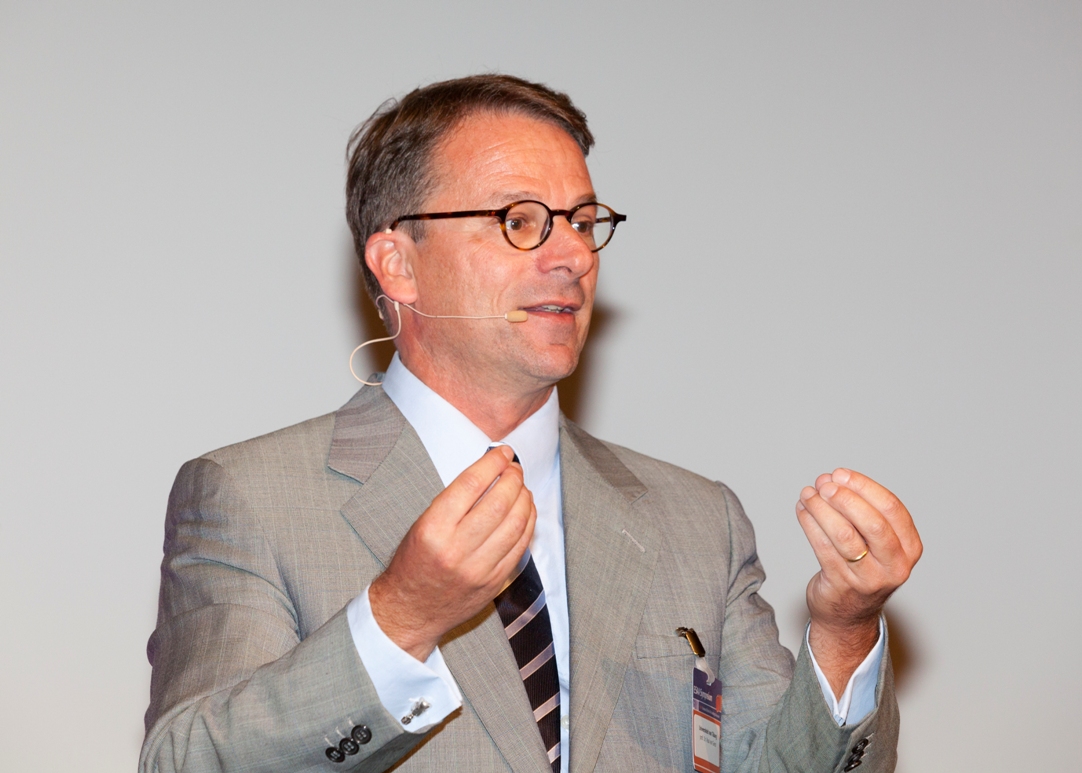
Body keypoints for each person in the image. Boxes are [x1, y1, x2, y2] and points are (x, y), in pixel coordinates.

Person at [141, 74, 921, 773]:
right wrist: (400, 618)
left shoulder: (696, 521)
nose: (573, 254)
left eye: (582, 220)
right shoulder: (253, 497)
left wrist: (845, 629)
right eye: (521, 220)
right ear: (398, 263)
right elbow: (184, 763)